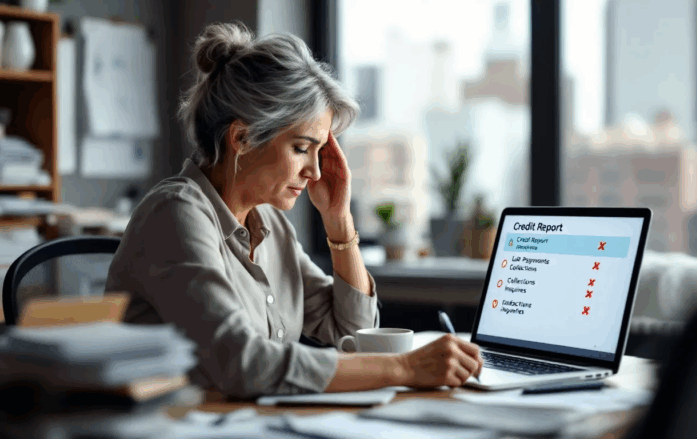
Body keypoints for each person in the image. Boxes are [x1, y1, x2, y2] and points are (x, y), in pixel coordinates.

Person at [105, 21, 483, 398]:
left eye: (320, 151)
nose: (316, 171)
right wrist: (404, 367)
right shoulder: (175, 214)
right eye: (302, 148)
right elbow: (244, 364)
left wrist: (339, 219)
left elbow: (352, 333)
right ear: (242, 137)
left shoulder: (270, 224)